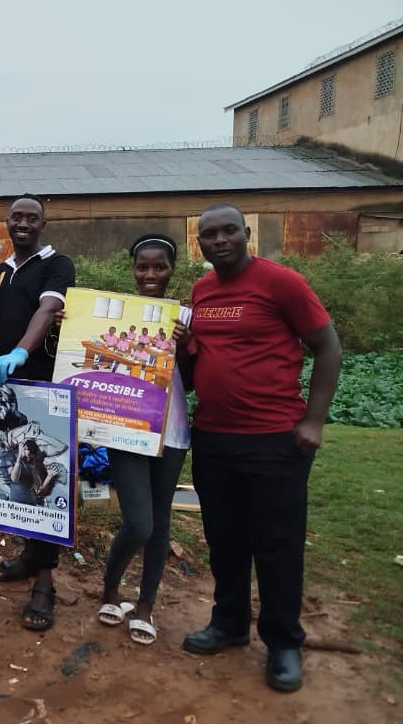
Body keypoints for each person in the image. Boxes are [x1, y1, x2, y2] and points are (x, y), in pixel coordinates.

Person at [179, 204, 341, 692]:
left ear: (247, 234)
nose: (220, 240)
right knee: (225, 541)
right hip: (213, 437)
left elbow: (328, 347)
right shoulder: (202, 291)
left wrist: (313, 420)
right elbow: (197, 362)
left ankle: (284, 641)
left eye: (229, 231)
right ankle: (229, 624)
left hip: (274, 439)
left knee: (277, 544)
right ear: (200, 244)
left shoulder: (281, 282)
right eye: (210, 234)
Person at [0, 195, 74, 631]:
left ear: (43, 223)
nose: (24, 223)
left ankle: (45, 582)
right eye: (17, 217)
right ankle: (30, 556)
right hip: (3, 389)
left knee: (39, 479)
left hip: (42, 385)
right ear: (7, 223)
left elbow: (48, 310)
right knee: (13, 478)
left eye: (32, 217)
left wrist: (20, 351)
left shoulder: (57, 264)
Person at [93, 234, 192, 647]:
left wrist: (187, 347)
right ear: (132, 269)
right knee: (140, 522)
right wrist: (68, 328)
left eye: (159, 267)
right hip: (126, 427)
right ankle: (111, 588)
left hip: (171, 429)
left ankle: (146, 605)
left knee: (161, 521)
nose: (150, 274)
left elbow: (197, 371)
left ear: (172, 270)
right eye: (142, 267)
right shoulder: (110, 313)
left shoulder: (186, 316)